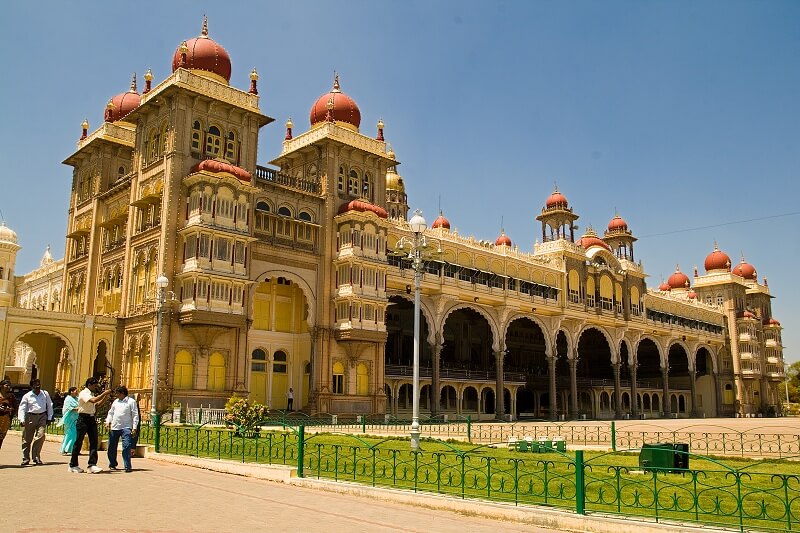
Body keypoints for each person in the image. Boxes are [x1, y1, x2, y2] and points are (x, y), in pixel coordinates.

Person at [69, 377, 112, 473]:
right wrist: (104, 393)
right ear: (89, 385)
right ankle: (73, 464)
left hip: (91, 418)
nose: (96, 387)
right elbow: (93, 400)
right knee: (78, 442)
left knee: (94, 441)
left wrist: (106, 396)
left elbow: (97, 405)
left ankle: (92, 464)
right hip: (83, 418)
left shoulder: (91, 394)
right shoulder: (84, 393)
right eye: (95, 385)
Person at [17, 378, 54, 466]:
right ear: (32, 386)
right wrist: (21, 419)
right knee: (27, 439)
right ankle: (26, 458)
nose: (37, 386)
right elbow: (22, 408)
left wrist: (49, 417)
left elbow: (49, 405)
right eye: (35, 384)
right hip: (30, 417)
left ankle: (36, 457)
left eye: (38, 384)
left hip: (42, 416)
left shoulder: (45, 394)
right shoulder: (27, 396)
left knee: (40, 436)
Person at [105, 386, 139, 472]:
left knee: (127, 446)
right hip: (115, 427)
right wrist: (108, 421)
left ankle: (127, 466)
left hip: (126, 427)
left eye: (117, 393)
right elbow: (111, 413)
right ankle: (112, 463)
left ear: (122, 393)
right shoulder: (115, 402)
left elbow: (135, 415)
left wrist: (134, 427)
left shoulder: (131, 402)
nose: (116, 395)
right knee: (111, 447)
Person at [56, 387, 79, 455]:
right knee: (70, 434)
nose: (77, 392)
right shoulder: (68, 399)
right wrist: (78, 409)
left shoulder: (77, 399)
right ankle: (66, 449)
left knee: (75, 435)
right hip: (69, 419)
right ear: (71, 391)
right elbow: (69, 408)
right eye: (75, 391)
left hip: (75, 419)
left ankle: (72, 449)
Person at [0, 379, 16, 451]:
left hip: (5, 419)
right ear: (1, 386)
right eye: (6, 385)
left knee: (1, 438)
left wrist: (9, 409)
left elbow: (15, 408)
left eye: (9, 385)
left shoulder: (11, 396)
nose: (8, 387)